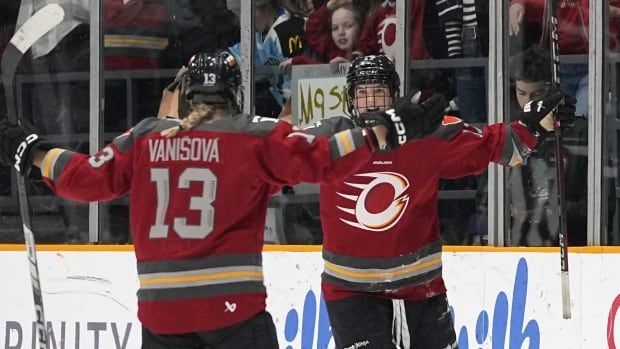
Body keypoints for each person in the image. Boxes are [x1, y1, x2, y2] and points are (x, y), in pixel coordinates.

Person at [0, 50, 445, 349]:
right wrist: (384, 132)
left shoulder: (146, 137)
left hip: (161, 317)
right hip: (233, 314)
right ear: (233, 92)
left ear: (189, 92)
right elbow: (322, 158)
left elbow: (83, 178)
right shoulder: (251, 137)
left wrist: (32, 151)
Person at [303, 54, 573, 348]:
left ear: (394, 95)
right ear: (351, 100)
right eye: (363, 94)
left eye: (378, 92)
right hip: (351, 293)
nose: (371, 103)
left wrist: (537, 122)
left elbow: (500, 145)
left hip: (421, 289)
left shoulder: (426, 134)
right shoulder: (331, 136)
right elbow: (280, 151)